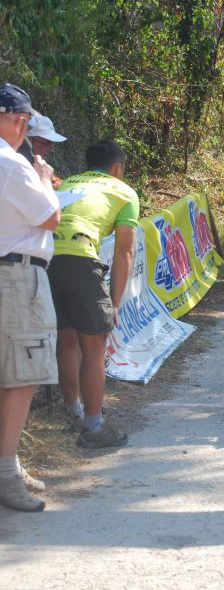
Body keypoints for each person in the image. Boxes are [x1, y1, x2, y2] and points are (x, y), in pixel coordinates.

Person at [47, 140, 139, 449]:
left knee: (66, 338)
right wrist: (114, 302)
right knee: (94, 344)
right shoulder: (124, 192)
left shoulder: (71, 181)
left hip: (46, 257)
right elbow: (125, 252)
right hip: (81, 256)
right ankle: (94, 426)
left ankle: (74, 411)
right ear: (118, 168)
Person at [0, 83, 61, 512]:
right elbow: (50, 217)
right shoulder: (11, 164)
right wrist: (44, 181)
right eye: (20, 120)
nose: (23, 129)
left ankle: (10, 464)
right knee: (23, 376)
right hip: (17, 276)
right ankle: (5, 473)